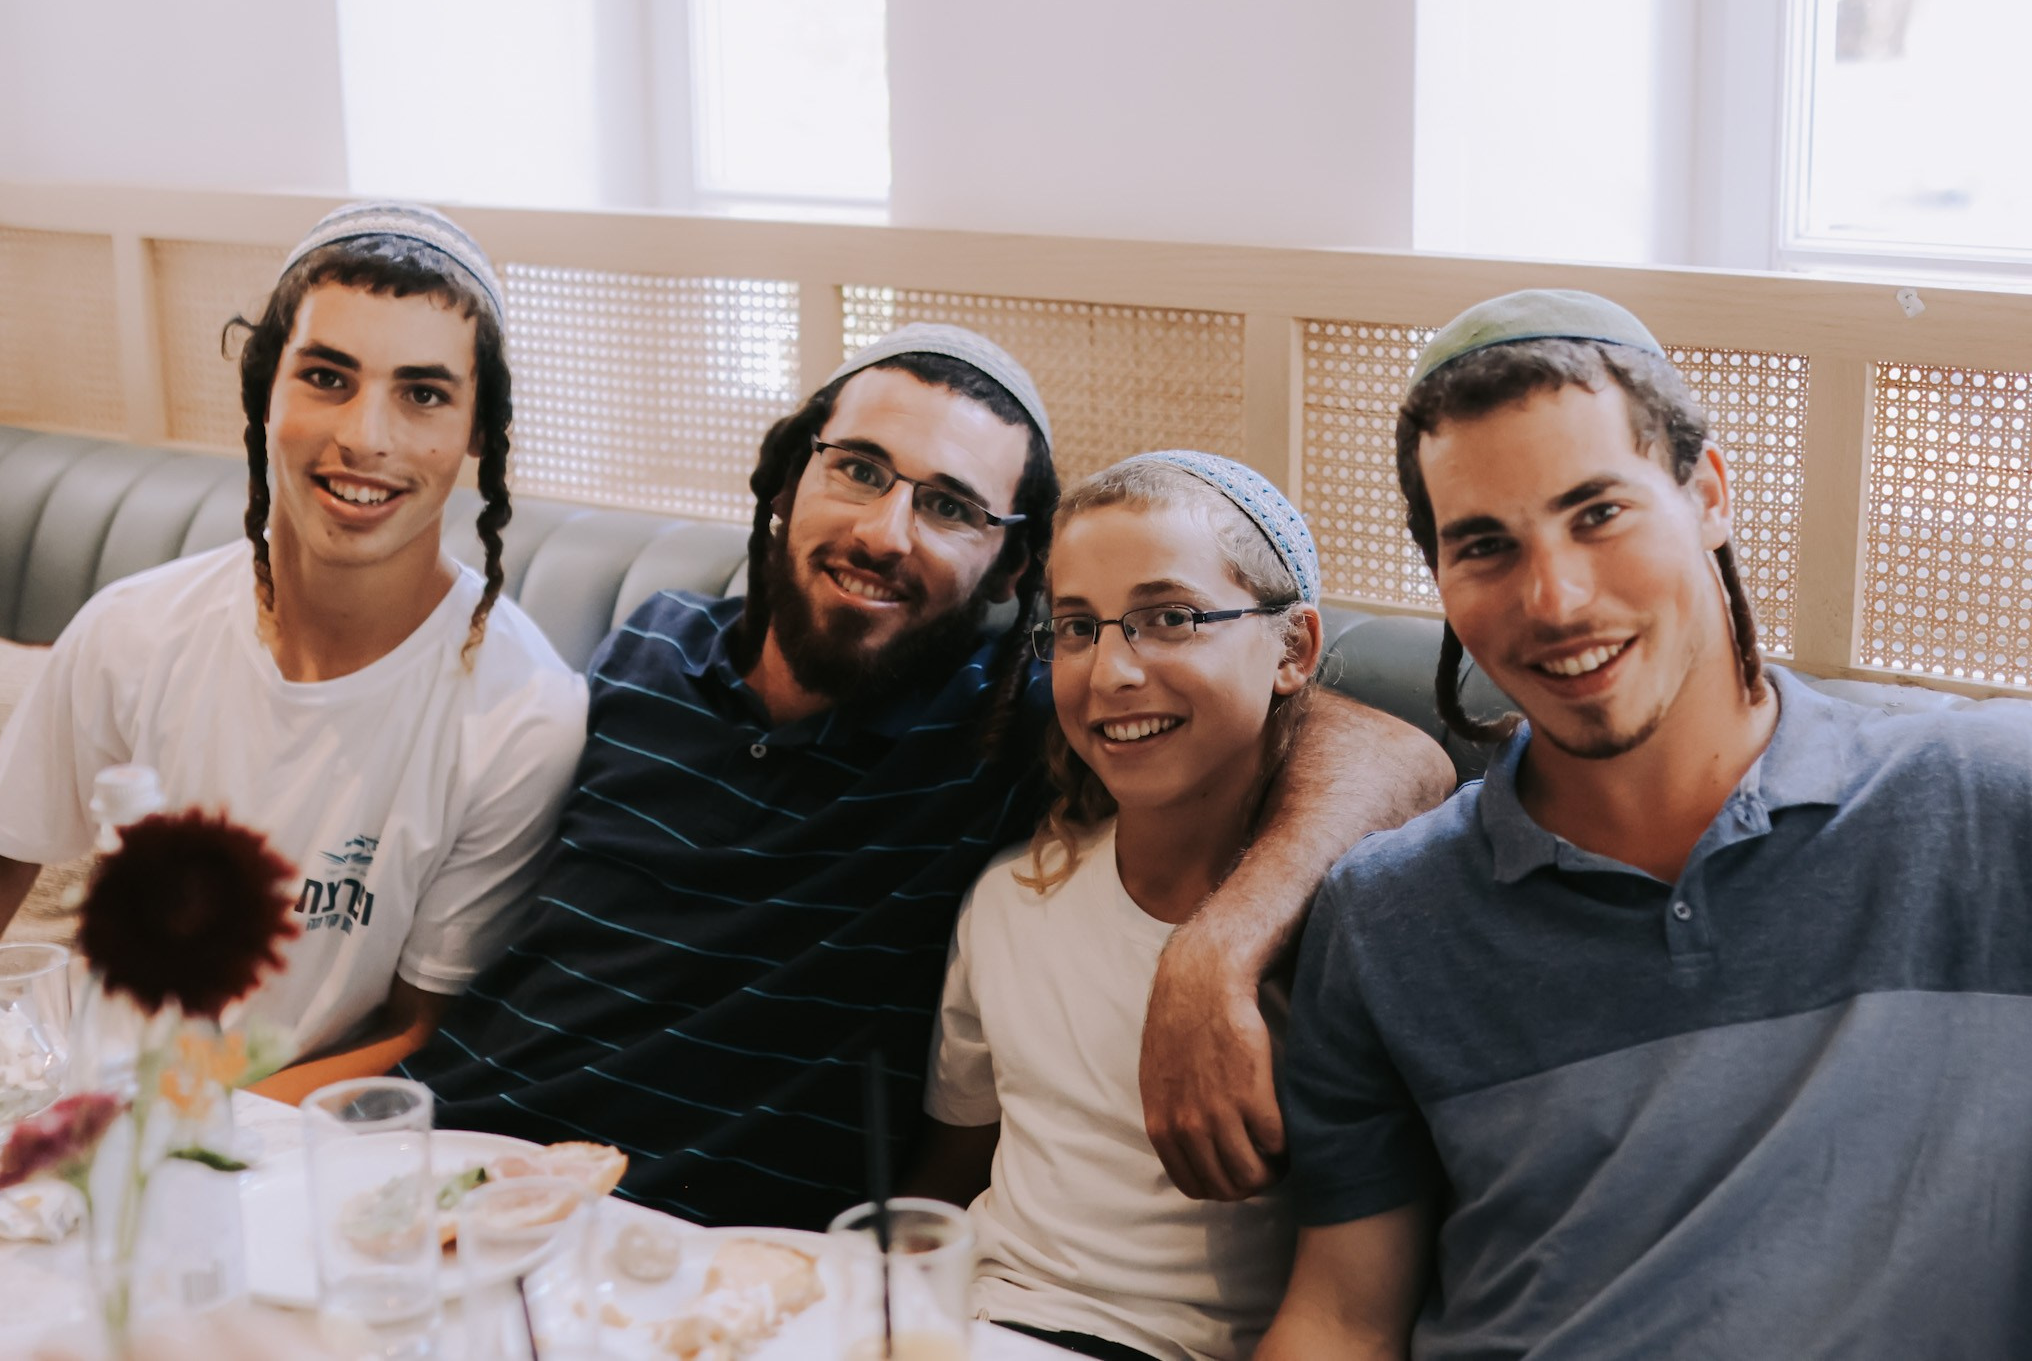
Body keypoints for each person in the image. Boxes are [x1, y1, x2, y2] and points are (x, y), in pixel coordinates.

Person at [405, 325, 1453, 1231]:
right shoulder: (651, 648)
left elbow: (1393, 753)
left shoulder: (1012, 722)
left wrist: (1217, 952)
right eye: (856, 468)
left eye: (951, 506)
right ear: (787, 479)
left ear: (1009, 573)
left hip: (698, 1260)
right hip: (437, 1168)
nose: (882, 531)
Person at [1260, 289, 2032, 1360]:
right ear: (1439, 579)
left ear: (1706, 493)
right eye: (1484, 545)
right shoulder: (1385, 918)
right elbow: (1341, 1317)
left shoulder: (1983, 807)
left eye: (1598, 512)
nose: (1557, 599)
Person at [0, 202, 587, 1100]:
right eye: (327, 377)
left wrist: (186, 1139)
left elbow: (416, 1027)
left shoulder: (523, 714)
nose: (367, 437)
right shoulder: (132, 630)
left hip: (293, 1147)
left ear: (476, 433)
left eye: (423, 393)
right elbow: (0, 860)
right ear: (265, 390)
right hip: (71, 1117)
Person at [920, 452, 1324, 1361]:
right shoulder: (1011, 901)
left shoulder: (1343, 932)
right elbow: (961, 1162)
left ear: (1293, 648)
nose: (1110, 673)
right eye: (1075, 628)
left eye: (1168, 618)